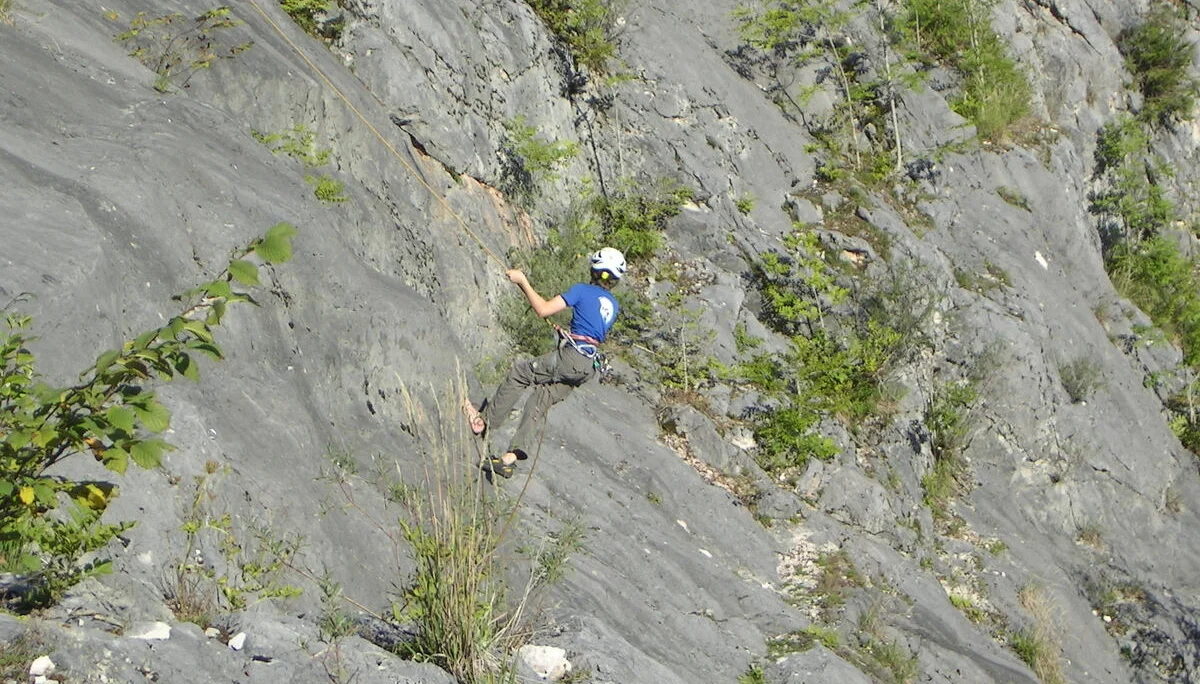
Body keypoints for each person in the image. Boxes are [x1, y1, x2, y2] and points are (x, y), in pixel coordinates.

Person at [463, 247, 626, 478]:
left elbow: (542, 309)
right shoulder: (613, 304)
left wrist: (522, 281)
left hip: (571, 357)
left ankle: (483, 421)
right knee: (541, 400)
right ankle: (509, 459)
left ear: (595, 270)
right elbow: (590, 330)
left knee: (520, 373)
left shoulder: (582, 290)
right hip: (587, 366)